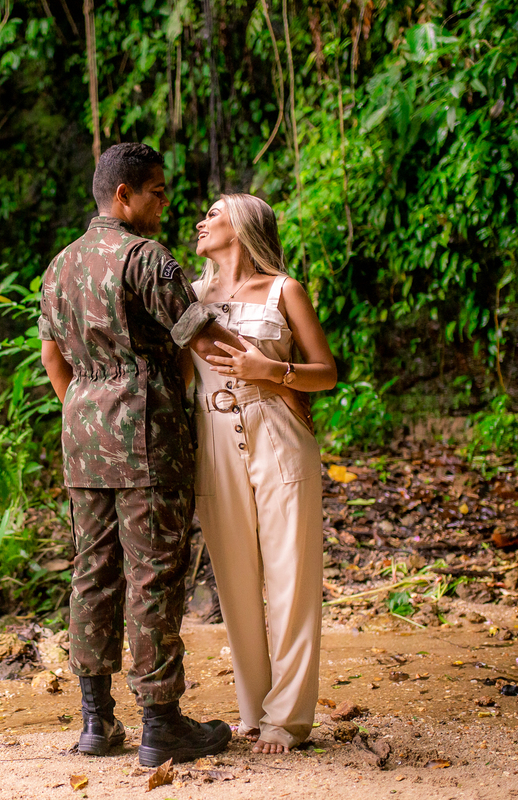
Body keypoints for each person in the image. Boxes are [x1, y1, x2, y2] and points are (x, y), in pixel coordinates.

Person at [38, 143, 247, 766]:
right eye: (156, 191)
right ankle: (161, 724)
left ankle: (96, 723)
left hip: (83, 439)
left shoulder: (59, 266)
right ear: (123, 194)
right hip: (146, 435)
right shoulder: (145, 257)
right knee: (154, 574)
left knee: (93, 572)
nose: (164, 203)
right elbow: (202, 339)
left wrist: (89, 413)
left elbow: (54, 360)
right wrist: (272, 366)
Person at [184, 193, 337, 754]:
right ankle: (253, 709)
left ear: (244, 225)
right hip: (213, 436)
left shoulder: (284, 289)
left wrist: (271, 369)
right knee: (235, 579)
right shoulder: (191, 297)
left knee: (292, 575)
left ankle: (287, 719)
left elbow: (326, 373)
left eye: (214, 213)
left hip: (277, 432)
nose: (201, 222)